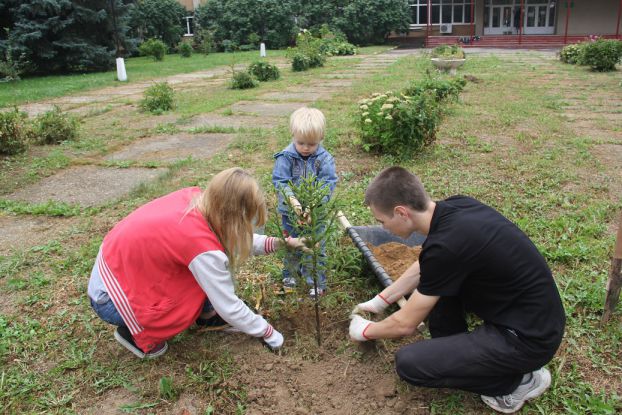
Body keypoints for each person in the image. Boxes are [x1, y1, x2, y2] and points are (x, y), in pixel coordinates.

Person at [349, 167, 565, 414]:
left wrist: (365, 330)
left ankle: (518, 382)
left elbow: (404, 325)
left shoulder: (447, 246)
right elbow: (427, 266)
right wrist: (381, 300)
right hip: (530, 315)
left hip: (528, 338)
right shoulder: (456, 206)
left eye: (382, 221)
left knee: (409, 363)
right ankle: (462, 355)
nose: (384, 228)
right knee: (435, 290)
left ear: (401, 212)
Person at [88, 167, 308, 358]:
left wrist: (282, 243)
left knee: (201, 276)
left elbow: (233, 238)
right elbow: (229, 306)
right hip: (109, 299)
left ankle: (206, 315)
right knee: (204, 282)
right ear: (231, 218)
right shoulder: (201, 248)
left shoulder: (198, 200)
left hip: (117, 267)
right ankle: (135, 334)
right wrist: (269, 333)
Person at [272, 107, 338, 297]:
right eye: (301, 143)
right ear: (292, 134)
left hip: (316, 213)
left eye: (312, 144)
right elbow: (281, 182)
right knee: (291, 242)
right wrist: (295, 204)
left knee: (315, 244)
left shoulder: (325, 159)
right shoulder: (285, 157)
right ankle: (290, 274)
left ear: (321, 137)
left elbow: (327, 184)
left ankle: (315, 279)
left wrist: (311, 207)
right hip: (290, 212)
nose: (306, 148)